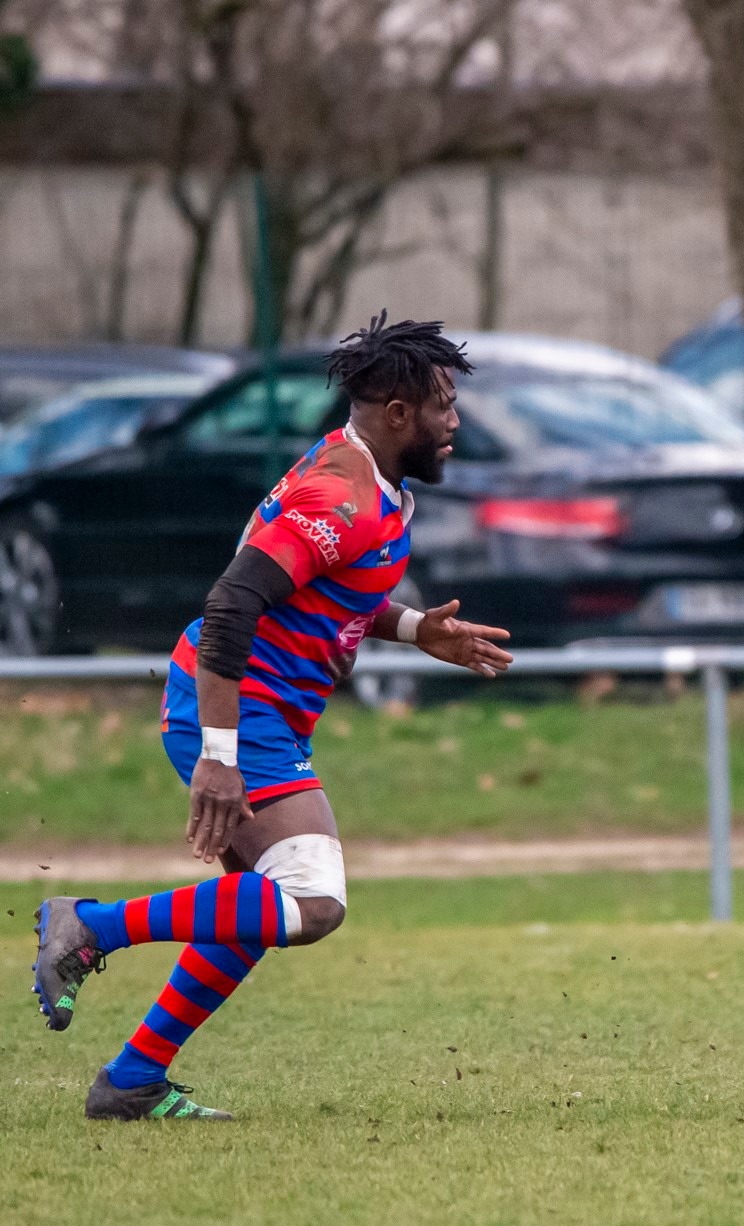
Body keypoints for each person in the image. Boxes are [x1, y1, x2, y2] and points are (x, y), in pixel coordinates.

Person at [32, 314, 514, 1120]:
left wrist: (411, 629)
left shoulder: (363, 478)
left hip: (260, 713)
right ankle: (88, 926)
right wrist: (220, 756)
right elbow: (233, 601)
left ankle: (132, 1080)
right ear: (399, 414)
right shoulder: (341, 497)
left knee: (256, 909)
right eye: (444, 405)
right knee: (312, 902)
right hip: (235, 709)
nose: (455, 421)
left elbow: (323, 586)